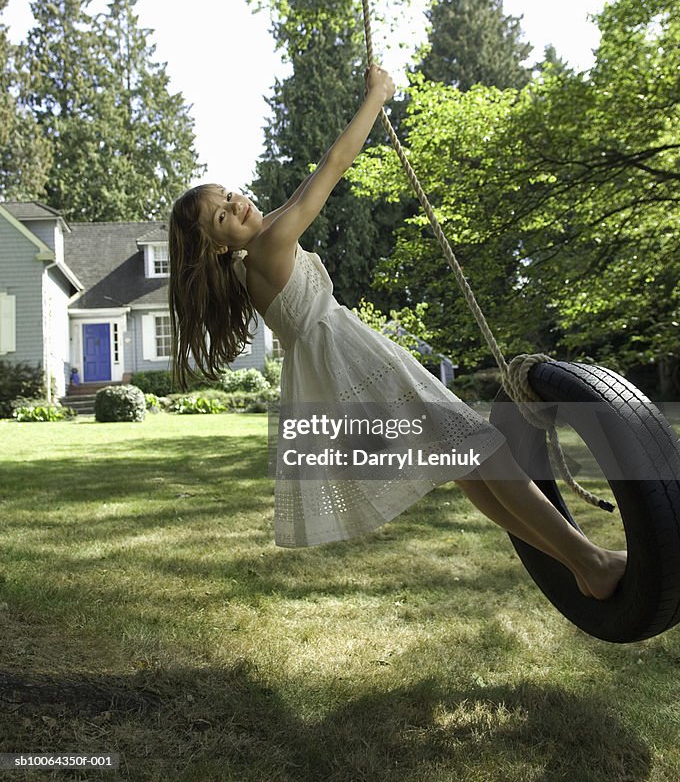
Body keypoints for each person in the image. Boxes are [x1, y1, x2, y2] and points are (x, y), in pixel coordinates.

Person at [168, 65, 626, 601]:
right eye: (221, 216)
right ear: (219, 246)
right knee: (483, 451)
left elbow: (296, 196)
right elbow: (332, 168)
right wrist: (377, 97)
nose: (235, 204)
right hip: (357, 363)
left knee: (470, 466)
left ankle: (580, 563)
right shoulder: (267, 248)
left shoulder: (259, 254)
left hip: (345, 367)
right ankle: (589, 561)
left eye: (228, 194)